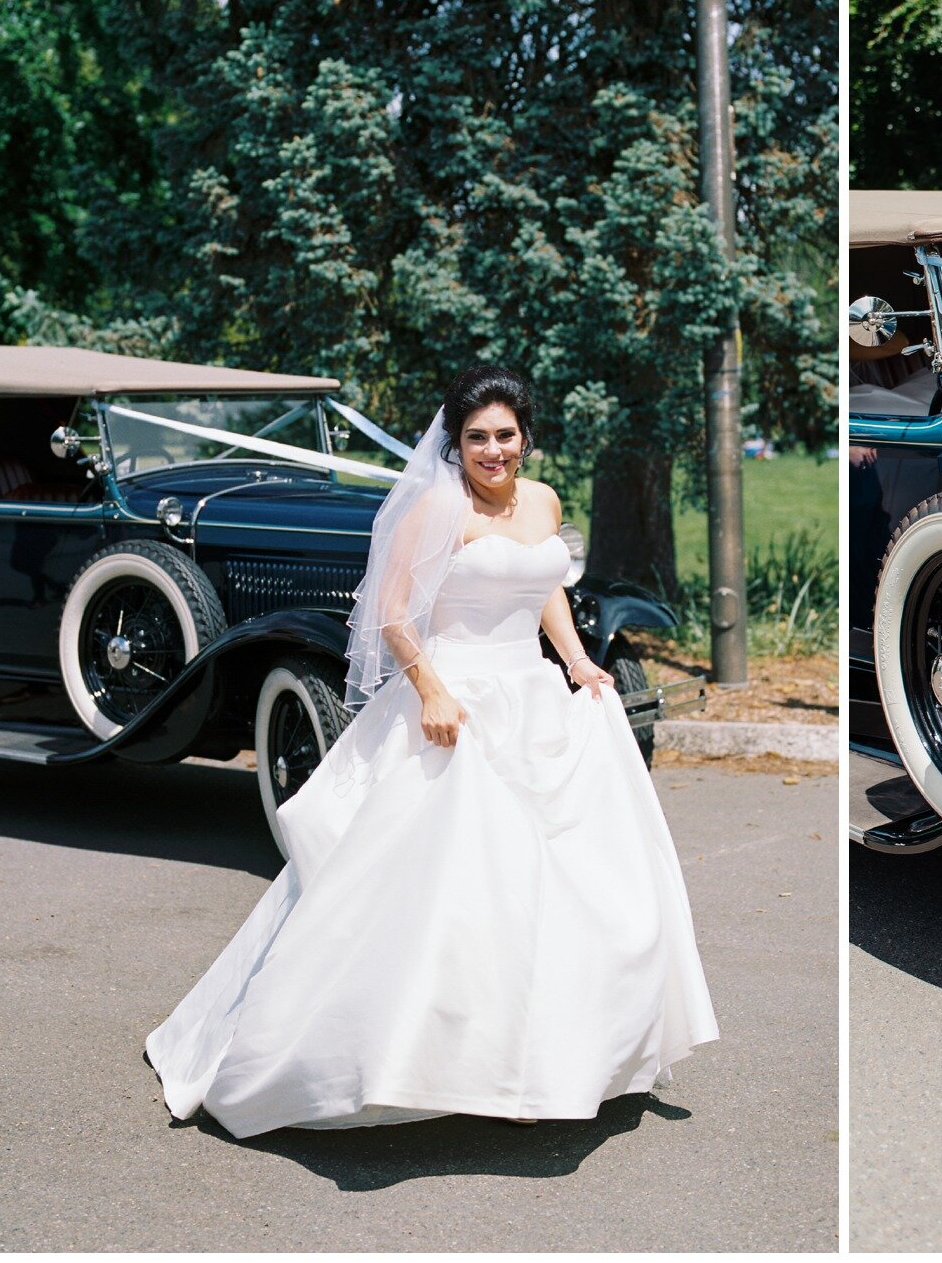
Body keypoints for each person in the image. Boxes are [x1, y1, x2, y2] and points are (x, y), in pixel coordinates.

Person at [146, 365, 718, 1137]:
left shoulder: (542, 500)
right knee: (448, 891)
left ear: (525, 437)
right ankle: (392, 1060)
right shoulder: (437, 507)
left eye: (505, 435)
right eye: (477, 437)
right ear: (457, 443)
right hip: (457, 700)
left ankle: (553, 1060)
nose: (493, 450)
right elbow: (390, 611)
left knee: (571, 883)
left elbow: (542, 581)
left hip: (534, 695)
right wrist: (432, 690)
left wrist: (577, 659)